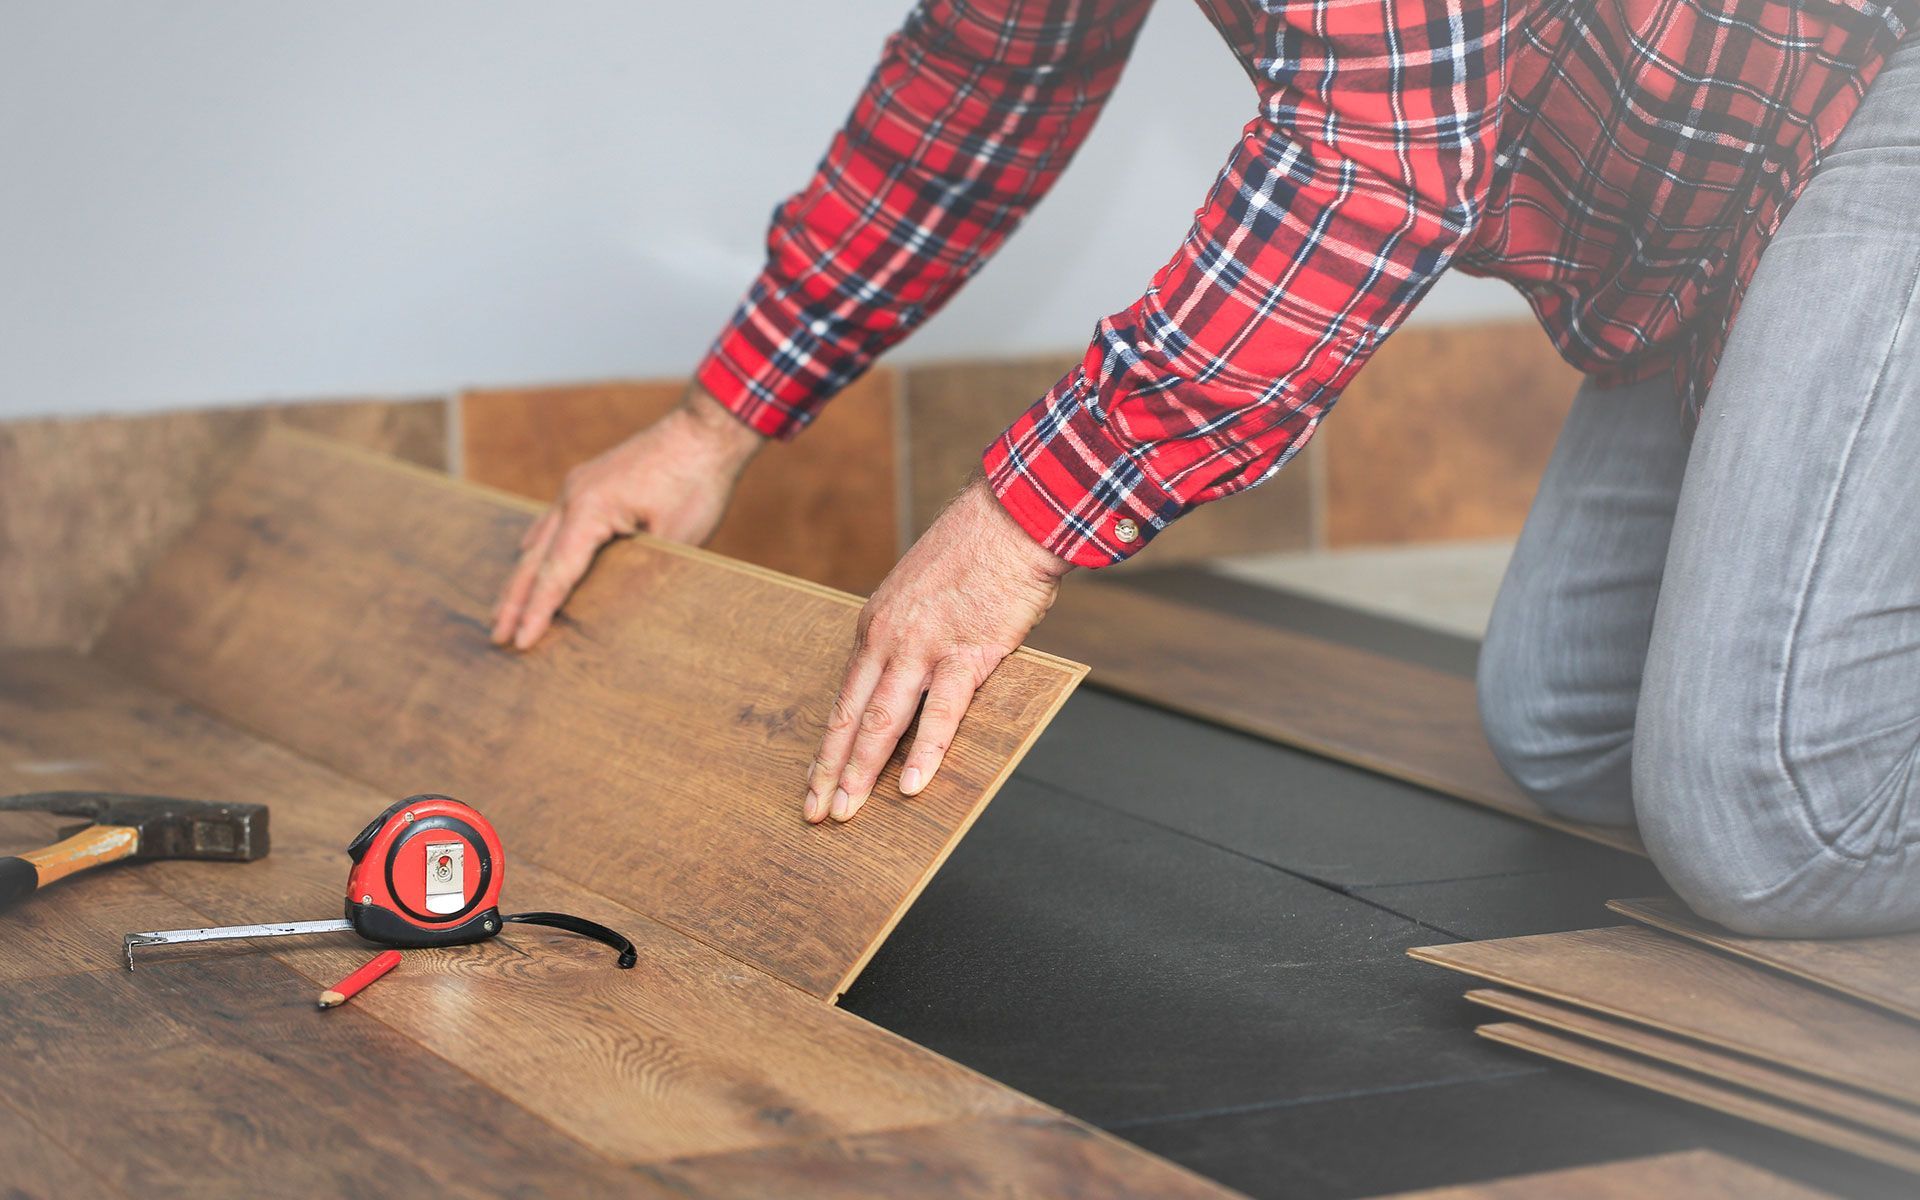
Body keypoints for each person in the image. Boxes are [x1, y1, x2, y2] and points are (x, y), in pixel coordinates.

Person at [490, 0, 1919, 937]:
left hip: (1879, 92)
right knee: (1566, 731)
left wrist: (1014, 529)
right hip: (1723, 202)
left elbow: (1373, 169)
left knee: (1771, 828)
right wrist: (712, 427)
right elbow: (980, 74)